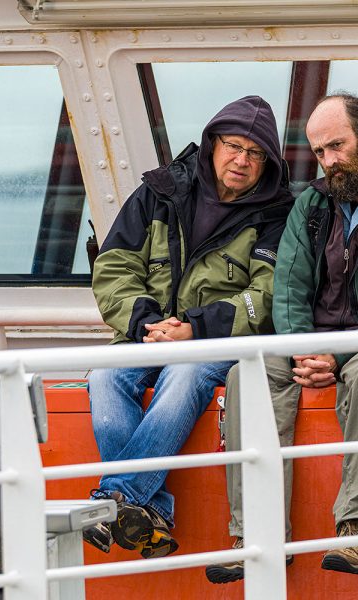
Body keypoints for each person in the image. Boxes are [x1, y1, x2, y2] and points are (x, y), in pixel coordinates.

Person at [84, 96, 294, 560]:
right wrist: (146, 323)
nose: (242, 160)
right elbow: (114, 267)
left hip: (220, 344)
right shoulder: (159, 192)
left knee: (183, 374)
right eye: (233, 146)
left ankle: (116, 500)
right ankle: (149, 512)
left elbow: (266, 296)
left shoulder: (278, 215)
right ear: (212, 144)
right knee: (104, 376)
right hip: (147, 334)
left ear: (268, 163)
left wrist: (195, 330)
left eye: (255, 153)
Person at [207, 93, 358, 584]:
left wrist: (338, 354)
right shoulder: (313, 203)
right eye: (319, 152)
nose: (329, 161)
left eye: (337, 145)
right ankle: (257, 535)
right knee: (247, 375)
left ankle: (354, 527)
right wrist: (305, 349)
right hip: (313, 343)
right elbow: (289, 286)